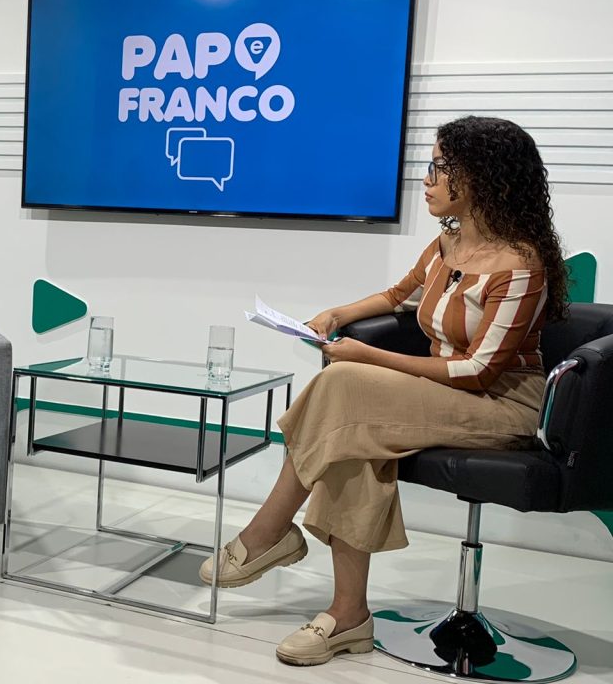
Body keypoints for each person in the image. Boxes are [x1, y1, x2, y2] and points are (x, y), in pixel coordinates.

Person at [200, 116, 567, 666]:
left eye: (439, 168)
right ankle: (348, 616)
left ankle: (269, 533)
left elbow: (479, 371)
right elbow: (398, 296)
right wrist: (337, 314)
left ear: (479, 177)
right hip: (444, 390)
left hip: (503, 404)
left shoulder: (520, 265)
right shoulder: (448, 241)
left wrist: (367, 354)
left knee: (345, 386)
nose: (426, 179)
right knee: (353, 434)